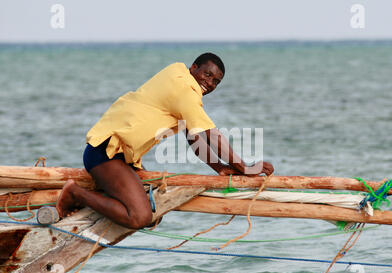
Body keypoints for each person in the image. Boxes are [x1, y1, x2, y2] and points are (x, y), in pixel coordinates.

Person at [56, 53, 274, 229]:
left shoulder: (176, 73)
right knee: (139, 218)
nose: (210, 83)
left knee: (154, 213)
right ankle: (75, 193)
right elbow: (212, 135)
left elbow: (194, 137)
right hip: (105, 153)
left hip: (122, 158)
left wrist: (219, 166)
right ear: (194, 68)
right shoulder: (186, 92)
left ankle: (95, 196)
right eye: (207, 75)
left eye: (216, 81)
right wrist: (245, 167)